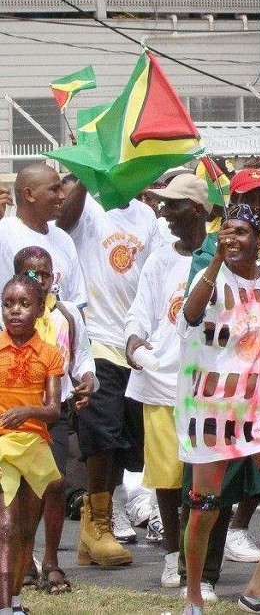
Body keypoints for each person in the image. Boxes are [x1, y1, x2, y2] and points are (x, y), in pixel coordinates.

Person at [177, 203, 260, 615]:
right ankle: (195, 596)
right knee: (204, 509)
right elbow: (191, 312)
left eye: (241, 232)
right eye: (226, 231)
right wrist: (217, 260)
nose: (231, 237)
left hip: (259, 407)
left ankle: (257, 588)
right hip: (212, 409)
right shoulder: (212, 278)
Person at [57, 174, 161, 561]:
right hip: (95, 338)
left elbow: (151, 277)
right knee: (102, 432)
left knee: (126, 441)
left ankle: (97, 520)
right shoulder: (87, 209)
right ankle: (99, 520)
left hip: (133, 342)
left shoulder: (146, 217)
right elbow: (64, 222)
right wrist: (85, 174)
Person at [123, 174, 210, 588]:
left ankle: (199, 556)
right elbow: (141, 310)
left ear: (195, 209)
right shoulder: (160, 258)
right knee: (167, 476)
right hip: (159, 380)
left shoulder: (219, 255)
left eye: (172, 205)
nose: (163, 212)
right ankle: (173, 554)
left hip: (207, 384)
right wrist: (134, 337)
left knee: (202, 475)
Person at [11, 247, 96, 598]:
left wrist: (88, 381)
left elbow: (83, 359)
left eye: (45, 274)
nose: (39, 281)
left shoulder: (67, 314)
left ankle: (50, 560)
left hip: (54, 414)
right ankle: (23, 561)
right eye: (31, 274)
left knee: (56, 484)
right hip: (14, 416)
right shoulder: (10, 313)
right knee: (18, 490)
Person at [0, 275, 64, 615]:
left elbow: (54, 410)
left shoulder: (50, 354)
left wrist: (28, 411)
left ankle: (16, 600)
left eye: (24, 304)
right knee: (6, 525)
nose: (14, 311)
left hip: (35, 443)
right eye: (8, 304)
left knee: (26, 527)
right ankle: (4, 607)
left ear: (40, 310)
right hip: (3, 446)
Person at [0, 164, 86, 308]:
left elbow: (76, 304)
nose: (62, 195)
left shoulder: (64, 239)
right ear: (29, 195)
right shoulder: (4, 232)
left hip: (60, 330)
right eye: (54, 189)